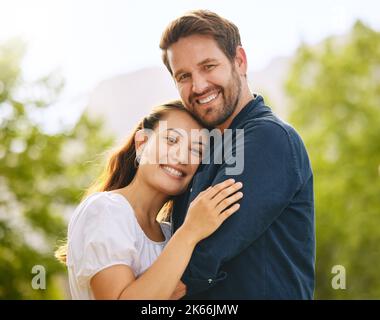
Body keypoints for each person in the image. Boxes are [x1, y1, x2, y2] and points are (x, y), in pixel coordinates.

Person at [159, 10, 315, 299]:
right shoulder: (202, 154)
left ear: (239, 61)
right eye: (184, 76)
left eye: (208, 66)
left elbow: (192, 266)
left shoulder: (269, 139)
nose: (198, 86)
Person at [55, 101, 243, 299]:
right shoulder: (105, 209)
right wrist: (190, 233)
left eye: (196, 150)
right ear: (142, 143)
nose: (181, 157)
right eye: (171, 140)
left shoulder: (170, 232)